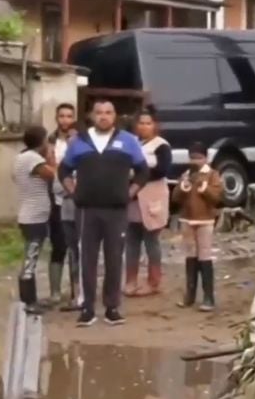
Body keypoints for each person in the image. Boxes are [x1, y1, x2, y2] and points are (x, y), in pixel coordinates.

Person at [59, 99, 150, 327]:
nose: (104, 116)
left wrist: (129, 193)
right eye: (99, 112)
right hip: (87, 210)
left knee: (114, 259)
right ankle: (87, 308)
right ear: (92, 115)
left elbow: (142, 171)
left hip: (116, 211)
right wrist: (74, 192)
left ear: (115, 115)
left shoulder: (128, 141)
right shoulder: (79, 141)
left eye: (108, 112)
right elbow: (63, 170)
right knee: (87, 259)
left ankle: (111, 308)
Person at [125, 110, 172, 297]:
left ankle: (154, 282)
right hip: (132, 197)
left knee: (151, 240)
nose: (144, 127)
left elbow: (162, 169)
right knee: (131, 241)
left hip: (152, 196)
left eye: (148, 123)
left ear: (155, 125)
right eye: (141, 123)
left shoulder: (161, 146)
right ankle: (131, 280)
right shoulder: (132, 144)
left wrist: (139, 176)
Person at [172, 142, 224, 311]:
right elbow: (175, 198)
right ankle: (190, 295)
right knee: (190, 256)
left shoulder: (212, 175)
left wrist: (205, 190)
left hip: (205, 220)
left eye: (199, 158)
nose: (195, 161)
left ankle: (209, 297)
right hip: (187, 220)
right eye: (193, 158)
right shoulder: (186, 174)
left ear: (206, 158)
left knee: (205, 256)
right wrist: (183, 188)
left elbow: (217, 198)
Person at [13, 125, 56, 313]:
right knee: (31, 259)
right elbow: (53, 175)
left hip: (31, 214)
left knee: (32, 256)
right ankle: (29, 302)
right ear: (41, 141)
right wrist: (51, 157)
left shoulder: (21, 157)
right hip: (34, 217)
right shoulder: (33, 159)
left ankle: (30, 299)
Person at [50, 103, 82, 311]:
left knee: (77, 249)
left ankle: (77, 292)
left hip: (77, 201)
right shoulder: (50, 142)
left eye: (69, 116)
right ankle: (54, 292)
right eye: (61, 116)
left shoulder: (80, 143)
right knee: (58, 246)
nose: (65, 120)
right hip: (55, 200)